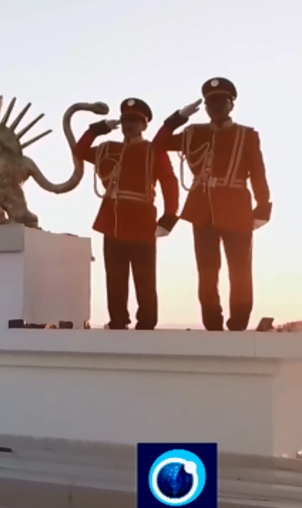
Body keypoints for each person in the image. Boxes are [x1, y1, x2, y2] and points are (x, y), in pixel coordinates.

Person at [153, 78, 271, 331]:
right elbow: (158, 145)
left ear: (231, 104)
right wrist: (177, 119)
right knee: (207, 271)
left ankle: (238, 323)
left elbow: (258, 173)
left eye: (221, 101)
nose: (215, 106)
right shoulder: (194, 133)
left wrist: (263, 207)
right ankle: (212, 323)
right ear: (205, 107)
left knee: (240, 270)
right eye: (210, 103)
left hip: (237, 209)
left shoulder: (246, 135)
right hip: (202, 210)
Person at [74, 98, 180, 330]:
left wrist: (169, 216)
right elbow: (79, 150)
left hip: (142, 220)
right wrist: (96, 129)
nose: (129, 125)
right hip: (112, 219)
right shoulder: (109, 149)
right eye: (125, 121)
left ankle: (147, 322)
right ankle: (118, 321)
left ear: (144, 125)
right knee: (115, 277)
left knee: (144, 278)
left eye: (134, 121)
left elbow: (169, 183)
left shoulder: (154, 151)